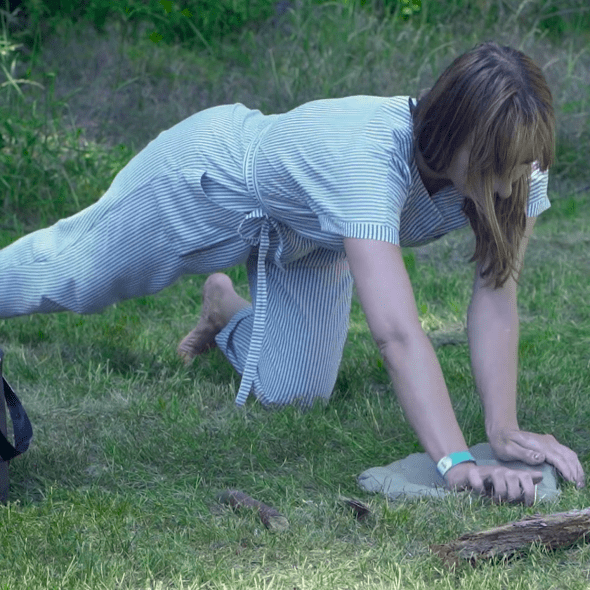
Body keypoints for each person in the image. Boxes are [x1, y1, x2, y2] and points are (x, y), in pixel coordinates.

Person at [0, 41, 584, 503]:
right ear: (450, 132)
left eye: (522, 163)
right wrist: (456, 463)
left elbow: (497, 296)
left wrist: (502, 430)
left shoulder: (519, 172)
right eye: (495, 165)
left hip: (316, 238)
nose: (510, 184)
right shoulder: (369, 157)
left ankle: (224, 307)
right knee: (69, 275)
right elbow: (397, 335)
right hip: (211, 182)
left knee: (293, 393)